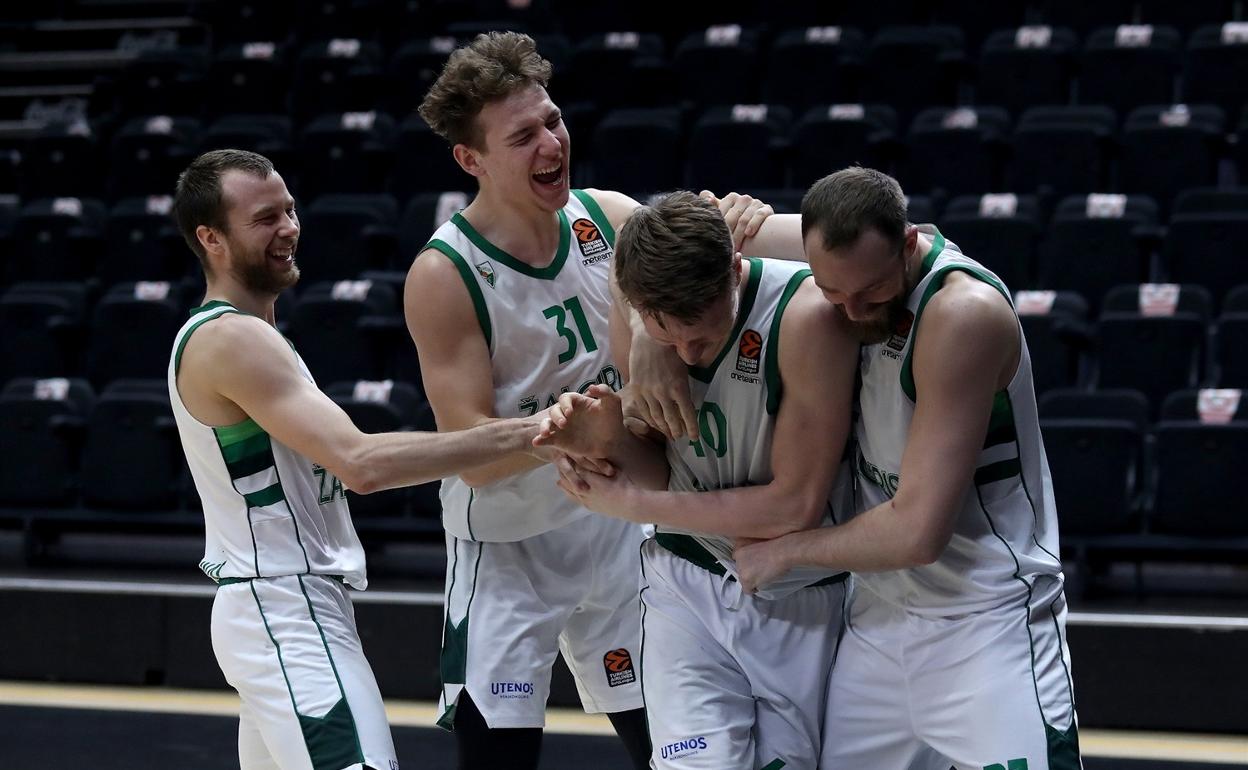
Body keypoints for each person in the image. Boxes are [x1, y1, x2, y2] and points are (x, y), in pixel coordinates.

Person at [405, 31, 790, 770]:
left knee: (669, 748)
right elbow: (471, 453)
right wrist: (564, 430)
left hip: (617, 529)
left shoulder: (608, 217)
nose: (552, 143)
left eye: (552, 121)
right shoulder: (445, 273)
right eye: (524, 136)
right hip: (511, 546)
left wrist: (733, 220)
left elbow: (692, 260)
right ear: (471, 159)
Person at [169, 148, 547, 770]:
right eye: (265, 218)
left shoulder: (253, 336)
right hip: (283, 606)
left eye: (289, 210)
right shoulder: (229, 338)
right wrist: (537, 431)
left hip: (284, 607)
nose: (289, 227)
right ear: (210, 238)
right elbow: (362, 463)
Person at [734, 167, 1082, 769]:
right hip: (879, 619)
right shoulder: (846, 263)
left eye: (869, 293)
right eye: (830, 292)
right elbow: (663, 241)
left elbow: (917, 532)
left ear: (911, 242)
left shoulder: (962, 313)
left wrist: (786, 550)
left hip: (985, 619)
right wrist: (644, 339)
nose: (849, 311)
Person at [532, 191, 859, 769]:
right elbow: (663, 465)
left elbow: (793, 507)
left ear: (734, 271)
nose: (684, 352)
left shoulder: (805, 317)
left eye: (701, 339)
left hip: (794, 590)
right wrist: (606, 443)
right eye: (668, 336)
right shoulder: (643, 322)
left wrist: (631, 504)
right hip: (682, 577)